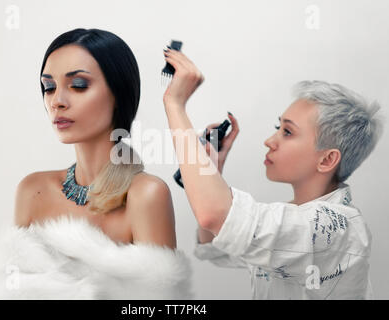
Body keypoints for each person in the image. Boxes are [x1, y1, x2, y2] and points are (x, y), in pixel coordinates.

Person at [0, 28, 192, 299]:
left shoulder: (146, 195)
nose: (57, 101)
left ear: (119, 94)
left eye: (78, 85)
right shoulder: (32, 190)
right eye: (49, 87)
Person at [162, 47, 384, 299]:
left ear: (327, 159)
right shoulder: (291, 217)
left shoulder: (337, 229)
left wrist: (174, 104)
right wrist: (211, 171)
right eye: (278, 127)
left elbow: (214, 217)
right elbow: (216, 246)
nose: (269, 141)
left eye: (287, 132)